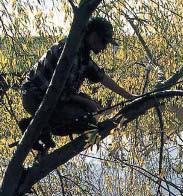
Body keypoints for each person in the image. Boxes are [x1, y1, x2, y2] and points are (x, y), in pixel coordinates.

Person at [20, 17, 134, 151]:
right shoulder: (71, 53)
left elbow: (101, 77)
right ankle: (35, 127)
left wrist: (129, 96)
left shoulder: (83, 54)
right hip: (36, 97)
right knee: (87, 121)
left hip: (47, 97)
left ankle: (40, 128)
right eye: (104, 42)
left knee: (89, 114)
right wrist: (88, 103)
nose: (104, 47)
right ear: (94, 36)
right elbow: (61, 93)